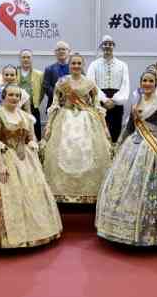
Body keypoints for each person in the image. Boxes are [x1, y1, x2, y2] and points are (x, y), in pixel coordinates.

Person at [96, 67, 157, 247]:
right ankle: (120, 228)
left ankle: (150, 232)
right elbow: (130, 126)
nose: (147, 84)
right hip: (133, 145)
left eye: (151, 81)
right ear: (140, 83)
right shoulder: (137, 101)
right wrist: (120, 143)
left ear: (156, 84)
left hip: (153, 148)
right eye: (144, 81)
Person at [0, 84, 62, 248]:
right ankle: (12, 237)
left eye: (17, 95)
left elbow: (30, 137)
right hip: (6, 157)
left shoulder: (26, 116)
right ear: (3, 97)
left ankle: (36, 232)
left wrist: (33, 143)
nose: (14, 98)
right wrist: (1, 164)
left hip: (26, 160)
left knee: (33, 194)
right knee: (10, 196)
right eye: (10, 95)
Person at [42, 53, 113, 203]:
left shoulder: (90, 83)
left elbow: (96, 106)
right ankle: (61, 193)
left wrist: (104, 126)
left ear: (83, 65)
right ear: (69, 65)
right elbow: (55, 104)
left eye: (78, 63)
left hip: (87, 120)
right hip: (64, 118)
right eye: (73, 63)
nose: (76, 66)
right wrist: (49, 125)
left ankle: (89, 193)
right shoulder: (62, 82)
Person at [87, 35, 130, 143]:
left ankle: (114, 150)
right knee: (99, 128)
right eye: (105, 44)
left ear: (113, 46)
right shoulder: (94, 64)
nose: (107, 46)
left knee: (116, 128)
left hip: (117, 101)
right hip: (99, 100)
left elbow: (125, 85)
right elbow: (91, 83)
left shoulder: (122, 65)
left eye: (110, 44)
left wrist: (115, 100)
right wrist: (104, 99)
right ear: (101, 46)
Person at [18, 49, 45, 139]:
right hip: (17, 108)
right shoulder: (15, 73)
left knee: (36, 132)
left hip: (33, 107)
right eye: (23, 57)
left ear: (32, 59)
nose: (26, 59)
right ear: (20, 59)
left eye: (28, 57)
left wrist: (36, 102)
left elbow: (42, 91)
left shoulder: (39, 74)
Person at [41, 41, 71, 112]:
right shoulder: (49, 69)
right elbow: (46, 87)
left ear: (69, 51)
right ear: (55, 52)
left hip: (72, 107)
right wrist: (60, 96)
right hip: (54, 107)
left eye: (63, 49)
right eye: (58, 49)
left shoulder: (76, 68)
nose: (61, 51)